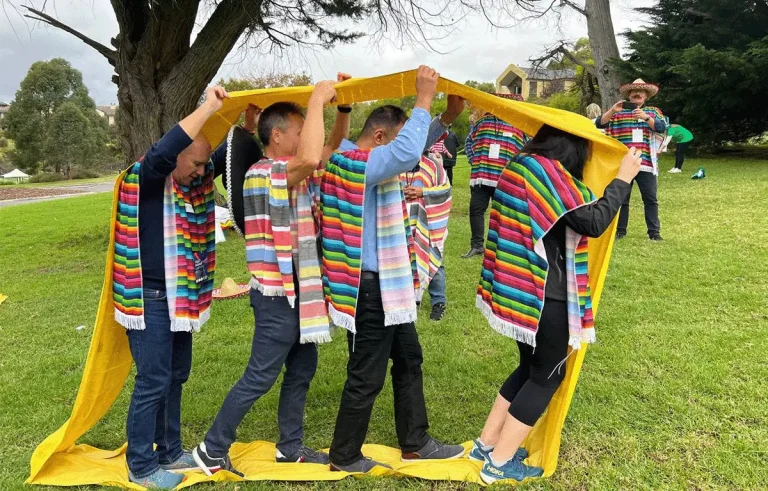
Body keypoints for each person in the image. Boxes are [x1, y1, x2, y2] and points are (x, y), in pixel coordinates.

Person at [192, 76, 350, 476]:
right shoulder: (262, 174)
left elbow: (326, 150)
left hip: (301, 292)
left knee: (302, 369)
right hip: (277, 296)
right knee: (259, 376)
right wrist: (316, 100)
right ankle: (211, 449)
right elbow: (313, 158)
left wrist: (342, 109)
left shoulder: (288, 168)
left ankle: (290, 447)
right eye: (298, 130)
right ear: (277, 135)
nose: (304, 137)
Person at [471, 125, 642, 484]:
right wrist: (623, 179)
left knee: (528, 369)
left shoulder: (521, 164)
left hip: (517, 288)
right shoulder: (546, 172)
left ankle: (486, 444)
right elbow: (593, 221)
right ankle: (499, 463)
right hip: (544, 293)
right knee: (548, 376)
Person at [321, 66, 465, 473]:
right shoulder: (351, 162)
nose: (406, 155)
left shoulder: (361, 156)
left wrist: (446, 118)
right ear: (381, 138)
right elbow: (406, 153)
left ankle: (416, 442)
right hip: (370, 289)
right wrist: (423, 97)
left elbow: (408, 148)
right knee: (366, 375)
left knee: (409, 359)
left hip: (390, 287)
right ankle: (344, 456)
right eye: (397, 139)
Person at [113, 86, 232, 489]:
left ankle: (169, 450)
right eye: (195, 163)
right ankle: (141, 465)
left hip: (179, 298)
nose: (202, 172)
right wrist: (209, 107)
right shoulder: (148, 177)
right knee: (153, 379)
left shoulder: (190, 185)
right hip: (148, 299)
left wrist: (241, 124)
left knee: (176, 375)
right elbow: (164, 150)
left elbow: (218, 160)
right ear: (176, 154)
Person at [597, 78, 666, 240]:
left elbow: (662, 127)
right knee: (622, 199)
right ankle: (620, 231)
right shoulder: (619, 111)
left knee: (650, 198)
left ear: (646, 96)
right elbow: (600, 123)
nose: (637, 94)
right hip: (624, 163)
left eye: (641, 92)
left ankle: (654, 233)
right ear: (629, 95)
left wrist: (646, 117)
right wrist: (613, 110)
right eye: (634, 92)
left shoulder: (653, 112)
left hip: (645, 162)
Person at [462, 103, 529, 258]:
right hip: (482, 176)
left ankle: (502, 247)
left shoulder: (517, 126)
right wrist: (476, 162)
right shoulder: (482, 123)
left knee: (503, 213)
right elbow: (469, 143)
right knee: (476, 209)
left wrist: (515, 169)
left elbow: (524, 147)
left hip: (505, 178)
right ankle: (477, 245)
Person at [403, 153, 452, 321]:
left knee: (433, 260)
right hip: (401, 222)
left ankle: (438, 302)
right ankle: (411, 299)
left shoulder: (432, 166)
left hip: (428, 223)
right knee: (404, 261)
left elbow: (445, 189)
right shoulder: (396, 162)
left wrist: (422, 192)